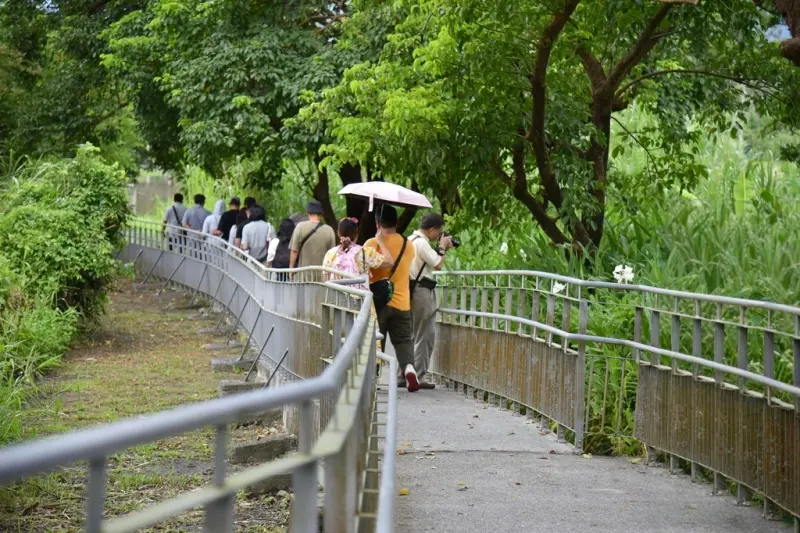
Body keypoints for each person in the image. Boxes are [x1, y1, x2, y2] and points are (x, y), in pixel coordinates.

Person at [364, 205, 419, 392]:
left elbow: (365, 270)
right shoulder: (408, 245)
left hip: (378, 303)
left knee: (376, 341)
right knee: (404, 340)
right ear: (396, 222)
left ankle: (374, 380)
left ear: (378, 223)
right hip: (402, 302)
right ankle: (409, 368)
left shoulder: (371, 243)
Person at [407, 213, 454, 389]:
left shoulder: (410, 239)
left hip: (410, 290)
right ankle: (418, 375)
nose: (439, 235)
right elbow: (438, 264)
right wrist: (442, 247)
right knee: (425, 334)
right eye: (438, 231)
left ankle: (403, 374)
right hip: (422, 290)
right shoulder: (421, 243)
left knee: (411, 334)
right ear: (431, 229)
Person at [323, 218, 392, 289]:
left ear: (338, 233)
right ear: (357, 234)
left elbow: (325, 279)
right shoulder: (365, 252)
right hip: (359, 295)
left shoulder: (330, 254)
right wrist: (381, 241)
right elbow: (390, 262)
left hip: (336, 295)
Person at [289, 201, 336, 269]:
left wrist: (291, 269)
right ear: (321, 214)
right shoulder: (329, 230)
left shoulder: (300, 227)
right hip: (322, 273)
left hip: (303, 273)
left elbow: (294, 251)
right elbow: (332, 254)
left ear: (308, 213)